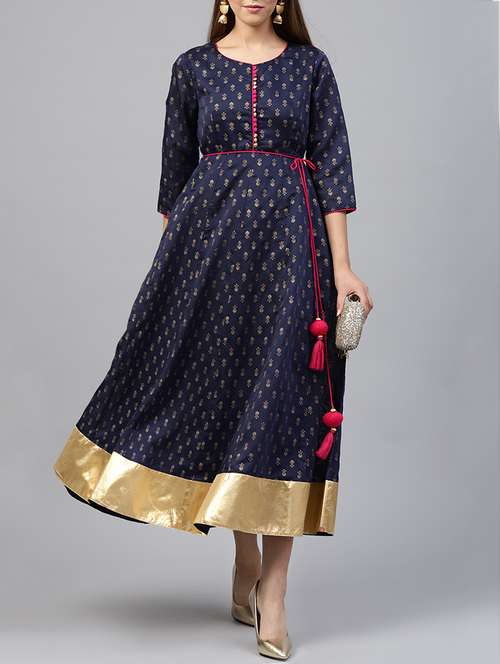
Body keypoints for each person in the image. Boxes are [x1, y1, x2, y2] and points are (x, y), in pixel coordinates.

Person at [53, 0, 373, 659]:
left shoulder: (311, 67)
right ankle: (243, 555)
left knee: (284, 409)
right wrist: (173, 276)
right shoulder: (193, 68)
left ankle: (274, 593)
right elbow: (174, 180)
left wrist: (343, 267)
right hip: (209, 254)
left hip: (294, 253)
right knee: (226, 400)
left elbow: (334, 167)